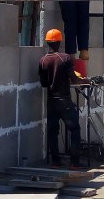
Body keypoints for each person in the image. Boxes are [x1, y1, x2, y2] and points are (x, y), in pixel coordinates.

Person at [38, 28, 90, 167]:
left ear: (48, 42)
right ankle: (75, 162)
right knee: (74, 129)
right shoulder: (65, 58)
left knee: (53, 131)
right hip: (64, 101)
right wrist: (85, 81)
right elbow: (74, 79)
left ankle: (55, 161)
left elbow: (43, 83)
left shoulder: (43, 60)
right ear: (59, 42)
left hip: (51, 101)